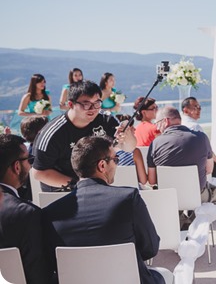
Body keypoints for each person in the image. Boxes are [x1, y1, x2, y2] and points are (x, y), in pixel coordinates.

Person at [42, 136, 167, 284]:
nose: (116, 164)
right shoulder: (128, 198)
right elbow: (150, 249)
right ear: (102, 165)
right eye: (116, 160)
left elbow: (51, 263)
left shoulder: (50, 213)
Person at [31, 80, 136, 192]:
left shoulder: (106, 120)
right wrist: (79, 185)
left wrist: (127, 136)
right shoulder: (53, 133)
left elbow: (129, 148)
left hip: (98, 188)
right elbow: (39, 172)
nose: (92, 109)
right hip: (63, 192)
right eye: (86, 104)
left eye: (97, 103)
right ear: (71, 104)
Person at [0, 134, 52, 284]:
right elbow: (38, 273)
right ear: (17, 167)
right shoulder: (26, 213)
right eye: (29, 160)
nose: (30, 165)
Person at [147, 106, 216, 203]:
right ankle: (192, 216)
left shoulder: (155, 143)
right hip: (196, 196)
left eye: (157, 123)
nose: (157, 127)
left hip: (167, 199)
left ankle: (182, 217)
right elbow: (209, 170)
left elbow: (152, 180)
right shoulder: (202, 137)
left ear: (165, 121)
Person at [181, 96, 216, 184]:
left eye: (199, 107)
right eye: (195, 107)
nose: (199, 109)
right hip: (197, 166)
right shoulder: (195, 126)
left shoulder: (180, 123)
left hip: (183, 164)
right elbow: (207, 149)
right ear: (185, 110)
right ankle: (212, 194)